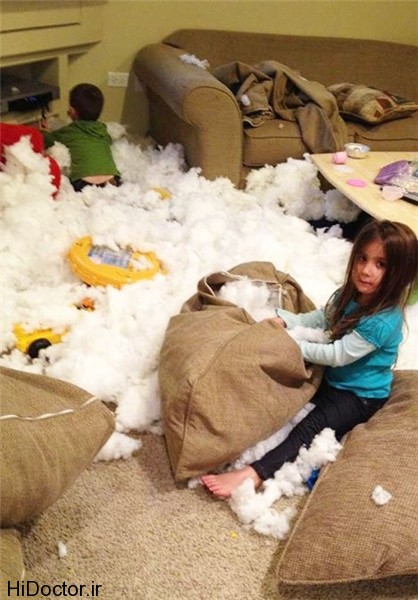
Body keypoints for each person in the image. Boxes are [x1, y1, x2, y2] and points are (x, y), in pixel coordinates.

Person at [201, 219, 418, 498]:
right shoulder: (348, 295)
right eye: (362, 258)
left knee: (310, 427)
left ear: (399, 274)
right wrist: (285, 320)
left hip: (359, 396)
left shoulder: (383, 321)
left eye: (381, 264)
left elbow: (338, 355)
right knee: (281, 400)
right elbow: (320, 319)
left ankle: (254, 473)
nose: (366, 270)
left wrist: (294, 345)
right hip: (332, 380)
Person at [41, 83, 121, 191]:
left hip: (83, 182)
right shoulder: (103, 130)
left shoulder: (69, 131)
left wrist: (44, 130)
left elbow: (47, 140)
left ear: (71, 111)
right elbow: (108, 141)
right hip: (112, 180)